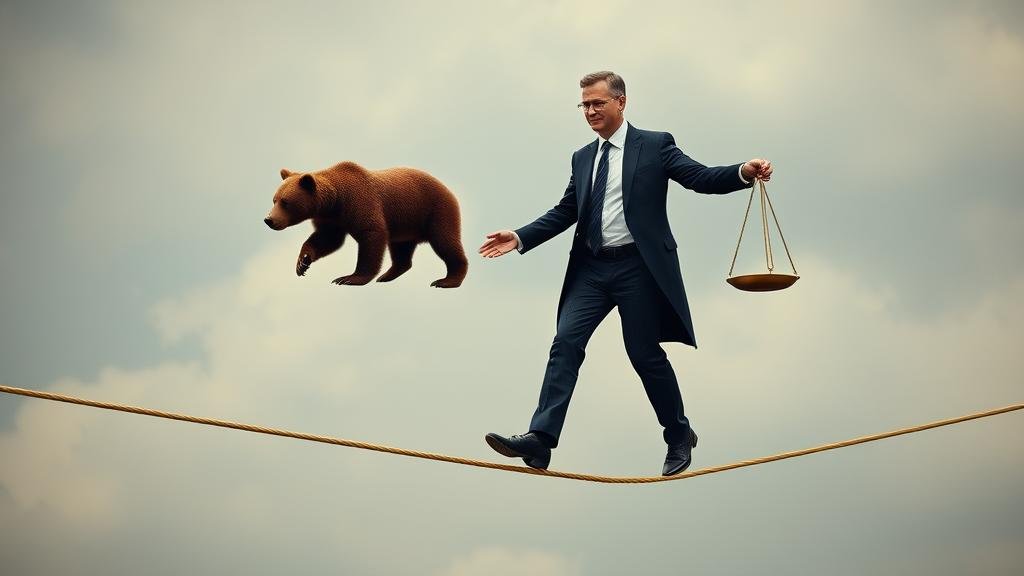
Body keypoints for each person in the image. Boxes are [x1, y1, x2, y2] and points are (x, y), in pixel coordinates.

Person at [479, 71, 773, 475]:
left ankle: (677, 434)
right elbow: (568, 210)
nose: (590, 111)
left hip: (638, 267)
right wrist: (520, 236)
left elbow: (700, 178)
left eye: (597, 103)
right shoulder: (583, 157)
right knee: (565, 342)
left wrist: (744, 170)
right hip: (592, 269)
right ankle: (541, 440)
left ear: (621, 102)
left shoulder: (655, 145)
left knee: (643, 353)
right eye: (584, 104)